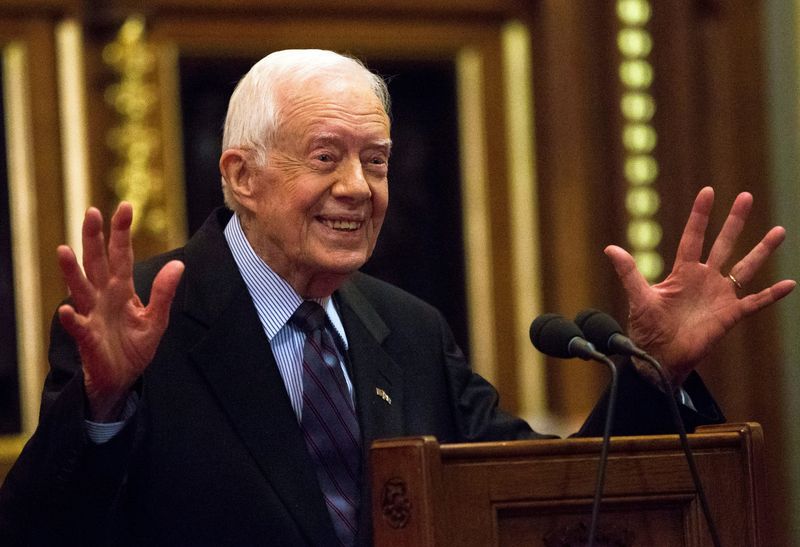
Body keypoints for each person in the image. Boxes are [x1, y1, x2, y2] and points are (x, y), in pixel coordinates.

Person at [0, 49, 794, 546]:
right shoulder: (144, 318)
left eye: (375, 160)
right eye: (326, 157)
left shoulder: (407, 328)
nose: (359, 188)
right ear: (241, 175)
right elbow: (39, 530)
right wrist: (101, 409)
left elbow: (541, 495)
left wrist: (653, 373)